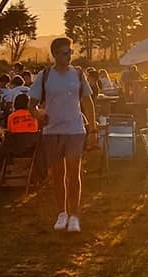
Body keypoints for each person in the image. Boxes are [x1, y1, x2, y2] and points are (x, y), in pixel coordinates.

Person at [30, 35, 98, 235]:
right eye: (65, 52)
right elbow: (31, 105)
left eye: (71, 52)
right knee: (58, 174)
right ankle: (62, 212)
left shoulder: (77, 74)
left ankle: (74, 215)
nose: (69, 56)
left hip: (75, 129)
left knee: (73, 171)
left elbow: (87, 101)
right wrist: (38, 114)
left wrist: (92, 129)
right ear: (54, 54)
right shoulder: (44, 76)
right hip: (52, 130)